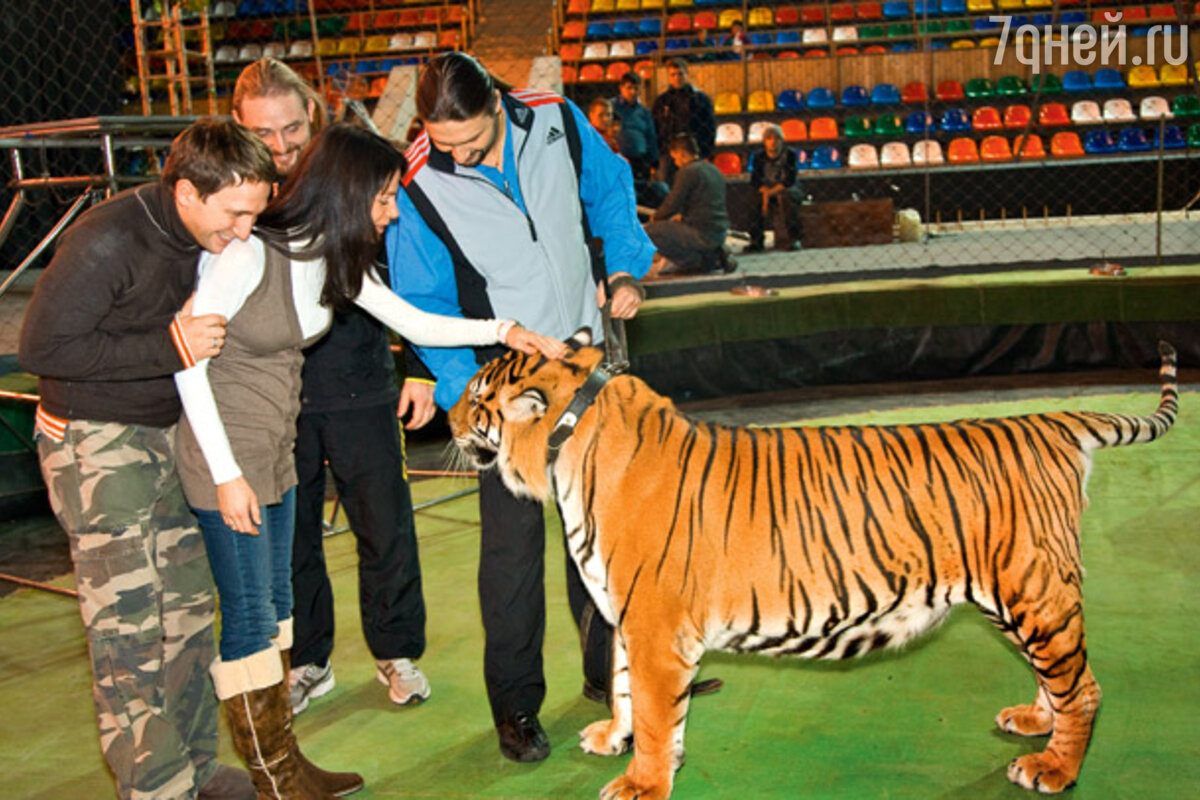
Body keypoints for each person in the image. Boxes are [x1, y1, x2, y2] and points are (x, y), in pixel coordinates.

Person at [173, 123, 566, 798]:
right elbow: (187, 368)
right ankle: (275, 777)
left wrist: (503, 331)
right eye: (384, 198)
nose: (390, 212)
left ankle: (282, 763)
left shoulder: (329, 258)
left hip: (272, 450)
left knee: (274, 613)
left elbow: (412, 320)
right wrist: (225, 474)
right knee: (247, 618)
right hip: (227, 456)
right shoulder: (249, 253)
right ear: (352, 193)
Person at [384, 52, 654, 764]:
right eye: (445, 144)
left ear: (498, 104)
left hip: (590, 367)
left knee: (605, 531)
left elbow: (611, 188)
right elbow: (422, 306)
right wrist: (463, 396)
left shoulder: (557, 119)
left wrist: (621, 265)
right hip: (508, 397)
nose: (460, 155)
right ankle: (514, 706)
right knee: (511, 553)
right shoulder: (418, 183)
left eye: (471, 141)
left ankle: (613, 677)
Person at [17, 118, 275, 800]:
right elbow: (42, 351)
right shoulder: (106, 240)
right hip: (93, 442)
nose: (245, 230)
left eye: (256, 213)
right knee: (127, 631)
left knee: (188, 613)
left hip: (162, 436)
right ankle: (155, 788)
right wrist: (170, 346)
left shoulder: (199, 235)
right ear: (187, 192)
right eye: (235, 214)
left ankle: (190, 767)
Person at [232, 57, 437, 718]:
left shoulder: (357, 177)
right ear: (238, 126)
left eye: (292, 128)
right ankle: (308, 661)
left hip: (362, 388)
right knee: (290, 541)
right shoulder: (238, 199)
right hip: (278, 402)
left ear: (312, 115)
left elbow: (409, 283)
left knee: (386, 527)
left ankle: (396, 652)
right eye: (264, 134)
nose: (282, 145)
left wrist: (422, 367)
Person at [644, 132, 735, 276]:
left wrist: (656, 217)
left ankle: (693, 262)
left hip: (700, 232)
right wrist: (683, 216)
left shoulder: (687, 172)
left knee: (650, 231)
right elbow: (706, 202)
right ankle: (712, 255)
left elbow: (672, 203)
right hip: (718, 230)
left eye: (674, 158)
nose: (675, 162)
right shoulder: (713, 169)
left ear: (680, 153)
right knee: (670, 227)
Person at [651, 58, 716, 187]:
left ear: (687, 74)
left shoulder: (701, 99)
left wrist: (706, 153)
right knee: (666, 187)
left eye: (680, 74)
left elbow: (710, 127)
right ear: (668, 77)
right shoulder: (661, 101)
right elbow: (655, 129)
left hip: (693, 151)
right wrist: (659, 153)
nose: (677, 78)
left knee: (695, 188)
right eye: (673, 75)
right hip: (669, 152)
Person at [611, 72, 666, 208]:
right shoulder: (611, 108)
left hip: (640, 161)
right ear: (621, 88)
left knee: (640, 198)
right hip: (617, 159)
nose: (633, 92)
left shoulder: (644, 112)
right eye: (629, 88)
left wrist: (655, 164)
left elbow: (651, 138)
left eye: (636, 89)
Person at [747, 123, 803, 252]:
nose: (773, 142)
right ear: (764, 142)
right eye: (769, 138)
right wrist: (766, 193)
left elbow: (789, 180)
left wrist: (770, 193)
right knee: (753, 199)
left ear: (782, 140)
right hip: (766, 189)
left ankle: (794, 239)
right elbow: (755, 180)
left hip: (786, 187)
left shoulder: (790, 155)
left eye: (776, 138)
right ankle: (756, 240)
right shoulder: (759, 157)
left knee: (788, 197)